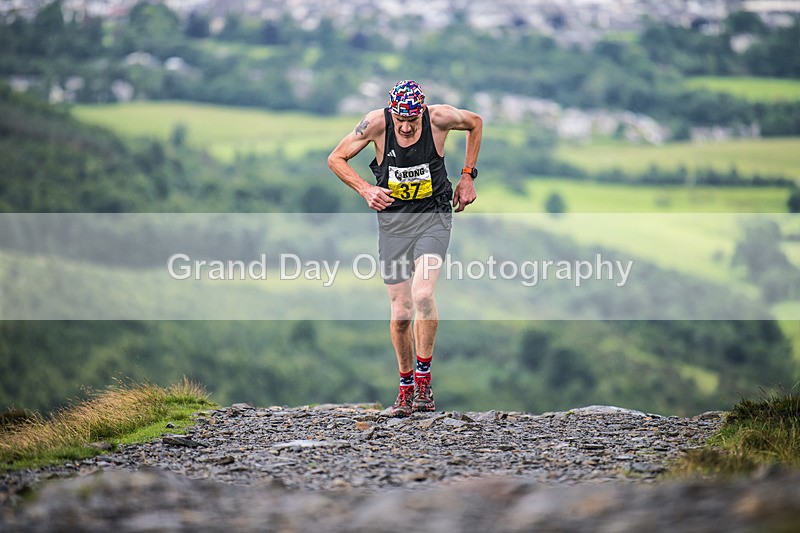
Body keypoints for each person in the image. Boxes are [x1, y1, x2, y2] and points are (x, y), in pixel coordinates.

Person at [328, 80, 483, 417]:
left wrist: (468, 175)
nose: (408, 126)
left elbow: (475, 123)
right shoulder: (376, 124)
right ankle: (405, 388)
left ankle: (424, 386)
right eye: (402, 119)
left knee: (423, 294)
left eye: (414, 118)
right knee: (400, 315)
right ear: (392, 111)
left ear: (423, 111)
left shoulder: (440, 118)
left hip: (433, 215)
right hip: (394, 223)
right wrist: (366, 189)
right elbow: (336, 158)